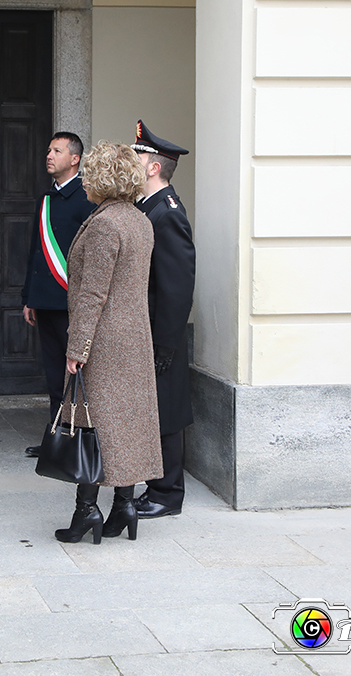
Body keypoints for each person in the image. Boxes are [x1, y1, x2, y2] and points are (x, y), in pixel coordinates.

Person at [54, 141, 161, 544]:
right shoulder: (139, 220)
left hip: (105, 340)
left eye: (89, 175)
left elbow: (93, 294)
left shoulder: (104, 224)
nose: (83, 183)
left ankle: (86, 512)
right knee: (126, 425)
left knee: (93, 425)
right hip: (134, 336)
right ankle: (124, 506)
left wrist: (76, 348)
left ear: (100, 177)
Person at [131, 121, 196, 520]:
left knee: (166, 414)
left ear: (153, 167)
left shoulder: (166, 213)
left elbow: (176, 286)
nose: (132, 161)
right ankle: (155, 486)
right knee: (154, 413)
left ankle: (167, 494)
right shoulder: (148, 208)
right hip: (150, 333)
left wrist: (165, 346)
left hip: (161, 335)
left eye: (137, 155)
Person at [21, 132, 96, 458]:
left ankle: (75, 441)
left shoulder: (86, 199)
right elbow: (37, 252)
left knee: (75, 375)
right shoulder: (46, 199)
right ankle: (55, 438)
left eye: (57, 150)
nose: (49, 155)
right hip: (46, 301)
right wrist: (29, 296)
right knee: (54, 375)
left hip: (71, 303)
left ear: (75, 159)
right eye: (49, 149)